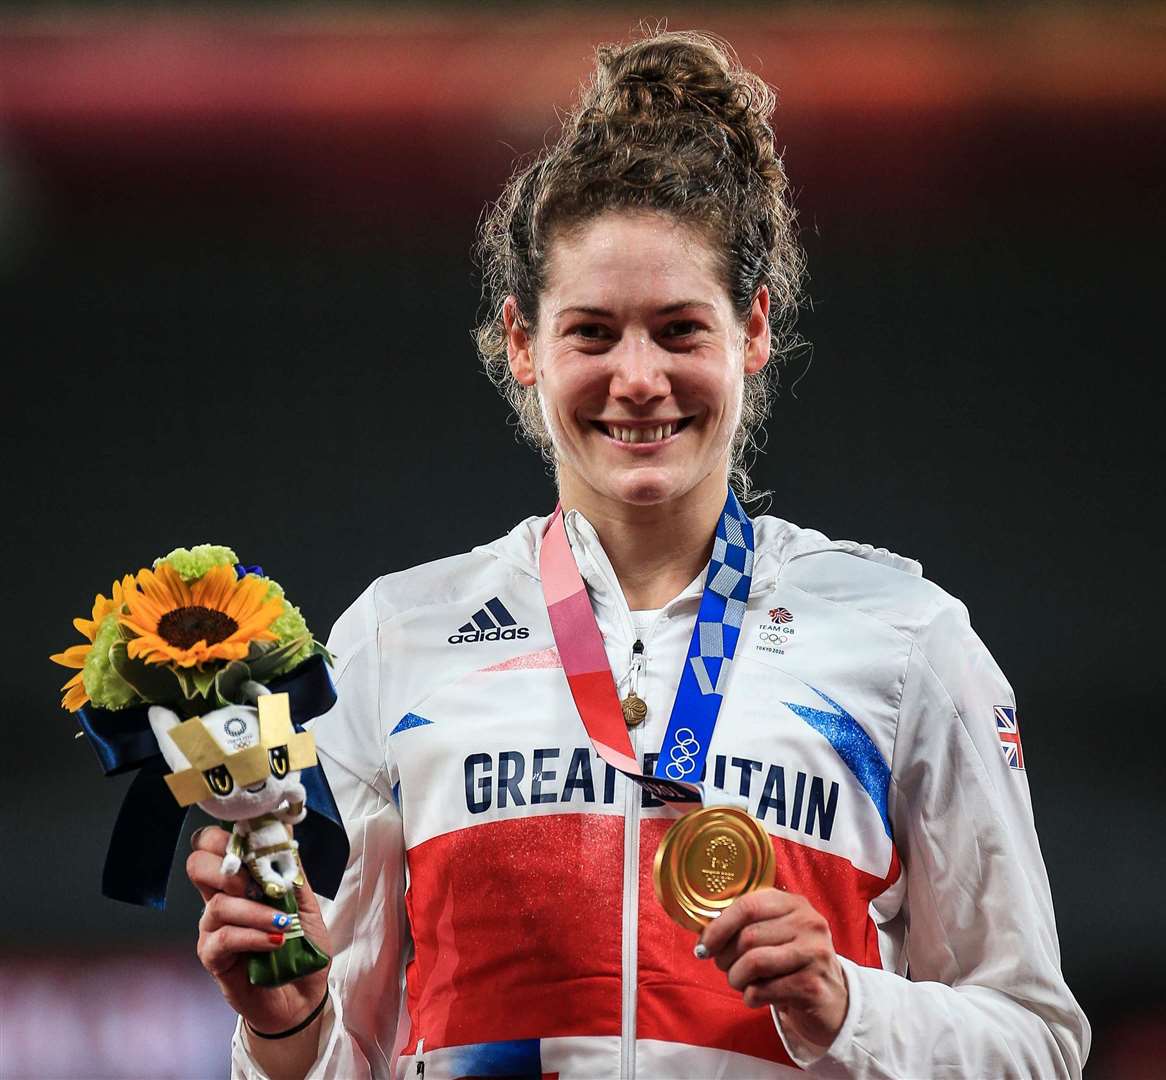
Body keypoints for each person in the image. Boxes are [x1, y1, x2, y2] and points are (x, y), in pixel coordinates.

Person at [187, 29, 1091, 1079]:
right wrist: (287, 1027)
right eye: (592, 333)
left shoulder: (903, 640)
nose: (638, 377)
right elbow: (343, 1054)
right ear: (523, 344)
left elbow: (1039, 1042)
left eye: (678, 329)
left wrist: (850, 1005)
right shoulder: (398, 638)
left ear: (751, 331)